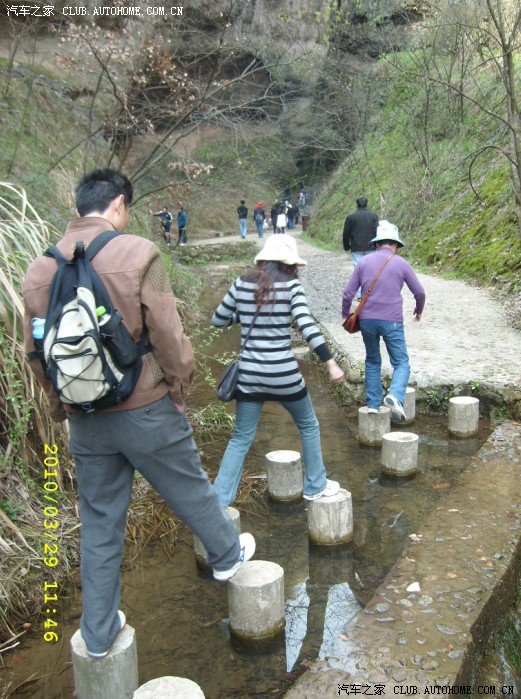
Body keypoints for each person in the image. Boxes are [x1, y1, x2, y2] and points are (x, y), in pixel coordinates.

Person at [23, 169, 255, 660]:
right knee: (188, 486)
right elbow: (168, 335)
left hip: (86, 418)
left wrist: (62, 407)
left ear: (78, 208)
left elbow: (36, 353)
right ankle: (226, 556)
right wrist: (179, 389)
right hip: (146, 405)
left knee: (100, 522)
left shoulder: (38, 270)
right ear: (119, 205)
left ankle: (99, 634)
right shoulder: (139, 252)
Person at [211, 234, 345, 506]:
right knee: (308, 425)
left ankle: (219, 501)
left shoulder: (241, 283)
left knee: (241, 438)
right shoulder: (292, 285)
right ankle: (315, 485)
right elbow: (306, 326)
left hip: (249, 376)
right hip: (284, 376)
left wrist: (246, 315)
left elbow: (218, 320)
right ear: (289, 262)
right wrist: (330, 362)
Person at [341, 221, 426, 420]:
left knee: (372, 360)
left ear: (377, 244)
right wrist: (418, 311)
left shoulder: (363, 262)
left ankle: (372, 405)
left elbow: (348, 293)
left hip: (367, 321)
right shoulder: (401, 263)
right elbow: (420, 292)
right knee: (401, 362)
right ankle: (395, 395)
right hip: (392, 321)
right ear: (395, 244)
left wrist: (346, 314)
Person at [342, 197, 379, 299]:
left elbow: (346, 233)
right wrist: (378, 244)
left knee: (358, 270)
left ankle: (360, 295)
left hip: (356, 247)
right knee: (371, 269)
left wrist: (346, 246)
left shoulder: (351, 217)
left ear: (357, 204)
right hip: (371, 247)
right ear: (366, 204)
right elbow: (377, 230)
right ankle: (370, 293)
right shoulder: (373, 215)